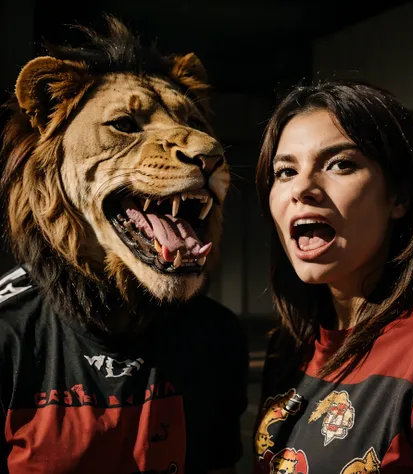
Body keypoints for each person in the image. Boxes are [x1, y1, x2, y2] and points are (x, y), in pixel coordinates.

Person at [0, 15, 248, 474]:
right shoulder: (10, 336)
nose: (199, 144)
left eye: (191, 120)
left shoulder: (216, 337)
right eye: (124, 124)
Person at [252, 80, 413, 473]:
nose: (302, 188)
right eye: (285, 171)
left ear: (400, 197)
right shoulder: (289, 347)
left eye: (340, 164)